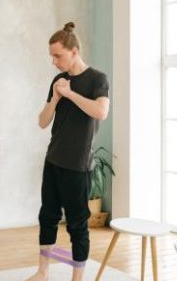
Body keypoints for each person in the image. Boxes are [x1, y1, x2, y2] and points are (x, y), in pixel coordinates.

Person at [27, 22, 110, 281]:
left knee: (77, 225)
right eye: (52, 56)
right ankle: (43, 272)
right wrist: (55, 98)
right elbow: (42, 122)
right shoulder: (58, 80)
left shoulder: (97, 79)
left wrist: (71, 94)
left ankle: (77, 279)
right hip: (53, 161)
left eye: (58, 55)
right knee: (47, 216)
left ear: (74, 51)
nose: (54, 61)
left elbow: (101, 112)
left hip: (77, 165)